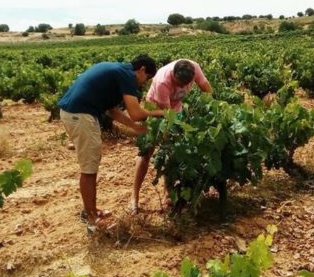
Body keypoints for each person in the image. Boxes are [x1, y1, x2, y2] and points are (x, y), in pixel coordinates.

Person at [58, 55, 164, 233]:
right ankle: (92, 219)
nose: (144, 83)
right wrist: (163, 113)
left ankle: (91, 210)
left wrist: (134, 128)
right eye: (146, 78)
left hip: (75, 112)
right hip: (80, 114)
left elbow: (112, 110)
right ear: (142, 69)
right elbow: (136, 113)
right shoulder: (127, 76)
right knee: (89, 167)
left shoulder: (119, 72)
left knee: (91, 163)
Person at [129, 59, 212, 213]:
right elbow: (168, 116)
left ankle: (168, 194)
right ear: (173, 75)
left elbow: (207, 90)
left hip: (175, 111)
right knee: (146, 153)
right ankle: (134, 198)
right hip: (156, 110)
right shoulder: (162, 81)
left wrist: (212, 111)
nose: (181, 87)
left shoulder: (195, 68)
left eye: (185, 84)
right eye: (178, 83)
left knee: (173, 152)